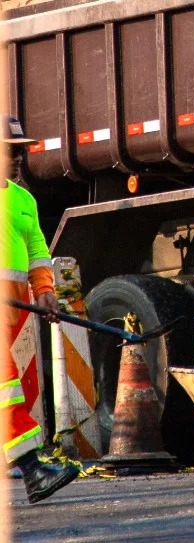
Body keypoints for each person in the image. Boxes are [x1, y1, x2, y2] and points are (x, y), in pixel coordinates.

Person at [2, 116, 80, 503]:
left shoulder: (22, 200)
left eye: (19, 151)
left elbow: (37, 254)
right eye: (9, 150)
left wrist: (45, 292)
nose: (17, 158)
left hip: (14, 313)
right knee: (6, 389)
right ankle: (33, 469)